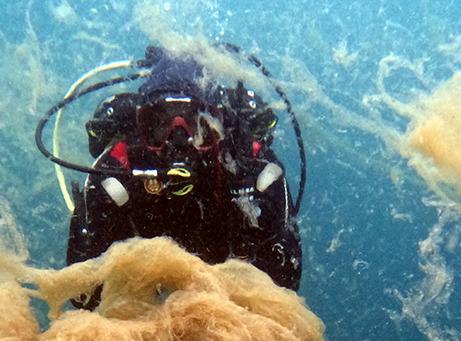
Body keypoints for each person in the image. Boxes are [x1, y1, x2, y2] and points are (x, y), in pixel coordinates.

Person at [60, 47, 303, 308]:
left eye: (194, 121)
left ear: (217, 124)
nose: (179, 137)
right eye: (161, 122)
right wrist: (96, 221)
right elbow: (83, 294)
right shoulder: (118, 170)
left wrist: (266, 219)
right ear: (143, 126)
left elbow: (283, 288)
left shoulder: (249, 168)